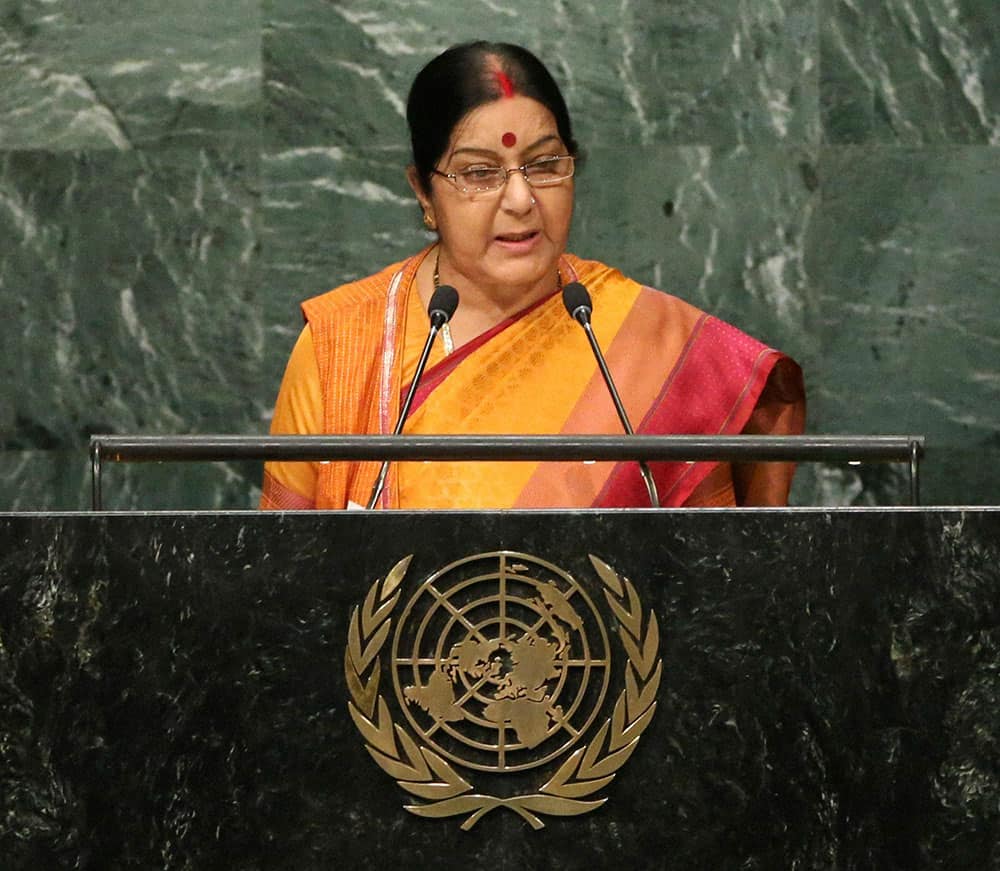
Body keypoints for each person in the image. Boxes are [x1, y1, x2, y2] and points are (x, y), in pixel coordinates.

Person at [260, 41, 805, 511]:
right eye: (480, 173)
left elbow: (716, 582)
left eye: (545, 166)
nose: (521, 200)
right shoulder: (340, 346)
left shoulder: (651, 342)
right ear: (424, 193)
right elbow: (286, 585)